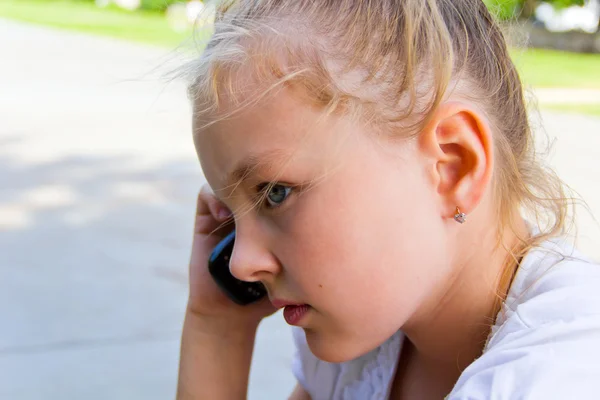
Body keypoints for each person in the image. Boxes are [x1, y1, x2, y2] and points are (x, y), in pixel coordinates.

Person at [174, 0, 600, 399]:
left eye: (275, 193)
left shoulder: (555, 373)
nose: (240, 264)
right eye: (231, 213)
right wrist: (217, 326)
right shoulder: (365, 342)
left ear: (453, 166)